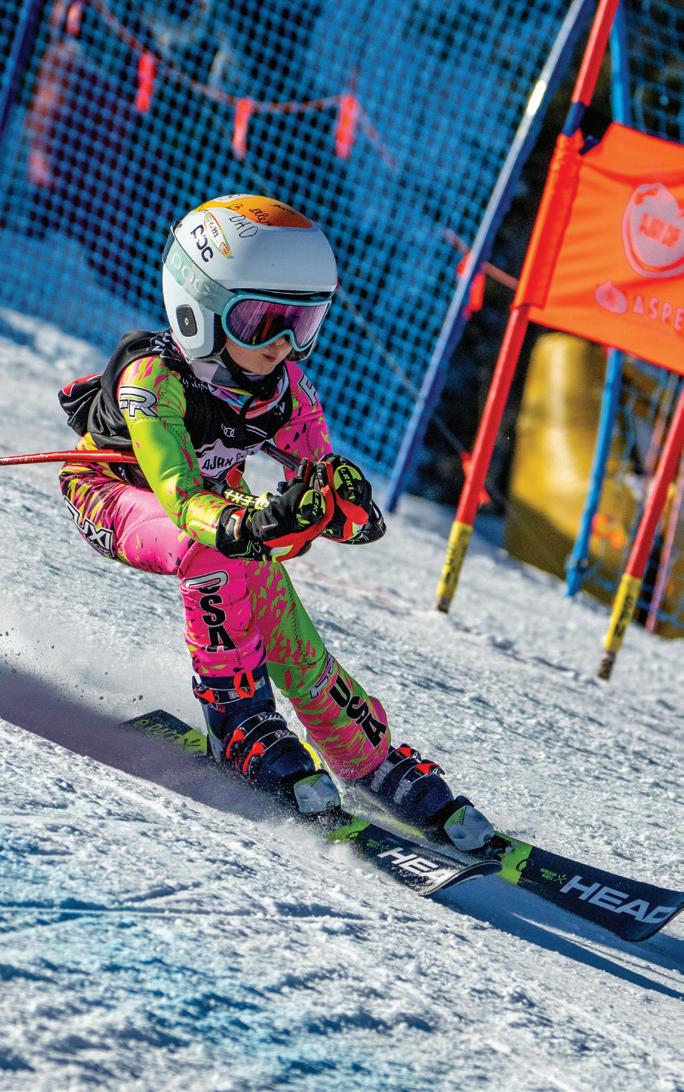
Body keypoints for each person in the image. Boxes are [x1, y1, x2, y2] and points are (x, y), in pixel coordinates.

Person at [58, 193, 493, 851]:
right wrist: (252, 522)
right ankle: (236, 719)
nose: (283, 345)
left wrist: (338, 508)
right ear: (200, 309)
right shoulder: (152, 380)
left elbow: (319, 477)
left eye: (301, 321)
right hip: (114, 493)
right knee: (215, 552)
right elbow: (182, 501)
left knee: (283, 625)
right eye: (262, 321)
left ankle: (366, 756)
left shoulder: (286, 389)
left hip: (221, 507)